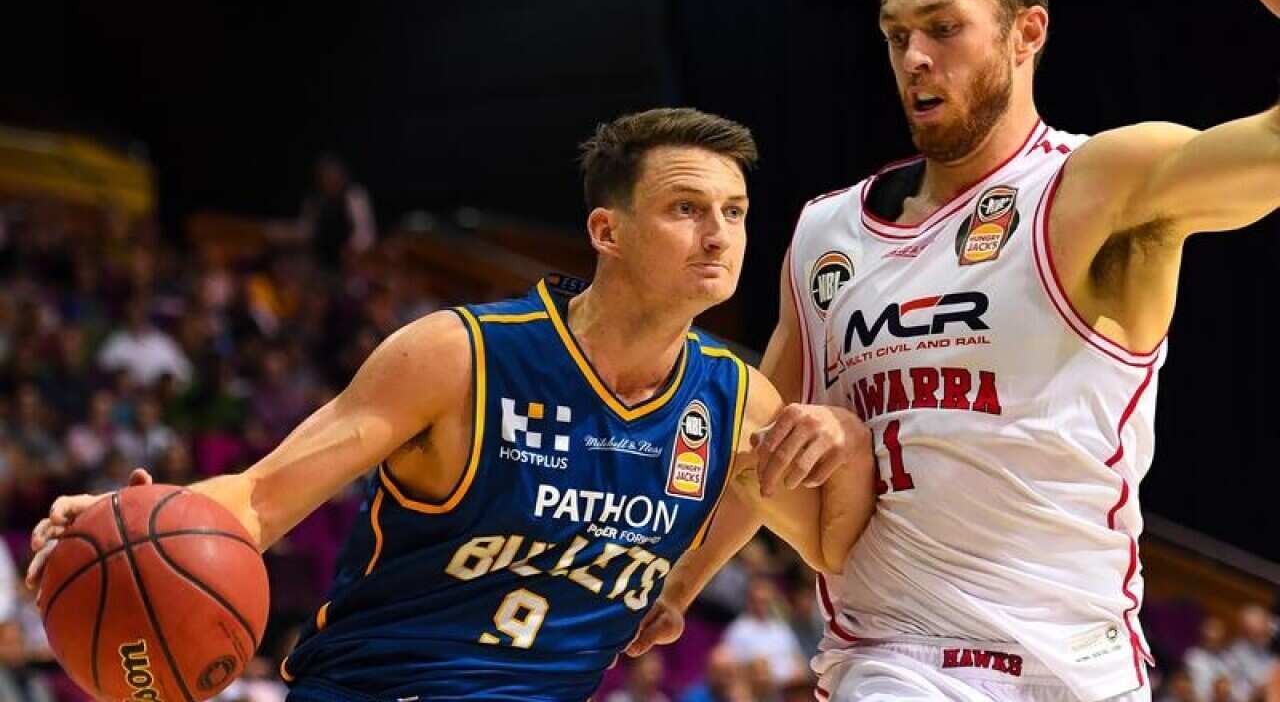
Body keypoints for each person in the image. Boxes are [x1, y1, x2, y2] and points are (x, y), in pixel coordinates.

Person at [26, 108, 876, 701]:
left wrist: (840, 433)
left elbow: (835, 540)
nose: (721, 235)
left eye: (734, 212)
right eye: (687, 210)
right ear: (607, 232)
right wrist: (132, 516)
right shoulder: (460, 355)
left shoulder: (732, 401)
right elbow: (260, 496)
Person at [629, 0, 1280, 701]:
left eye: (943, 29)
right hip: (899, 658)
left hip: (1085, 667)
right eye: (896, 35)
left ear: (1027, 33)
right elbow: (763, 446)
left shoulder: (1094, 183)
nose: (915, 57)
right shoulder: (827, 233)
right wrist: (682, 581)